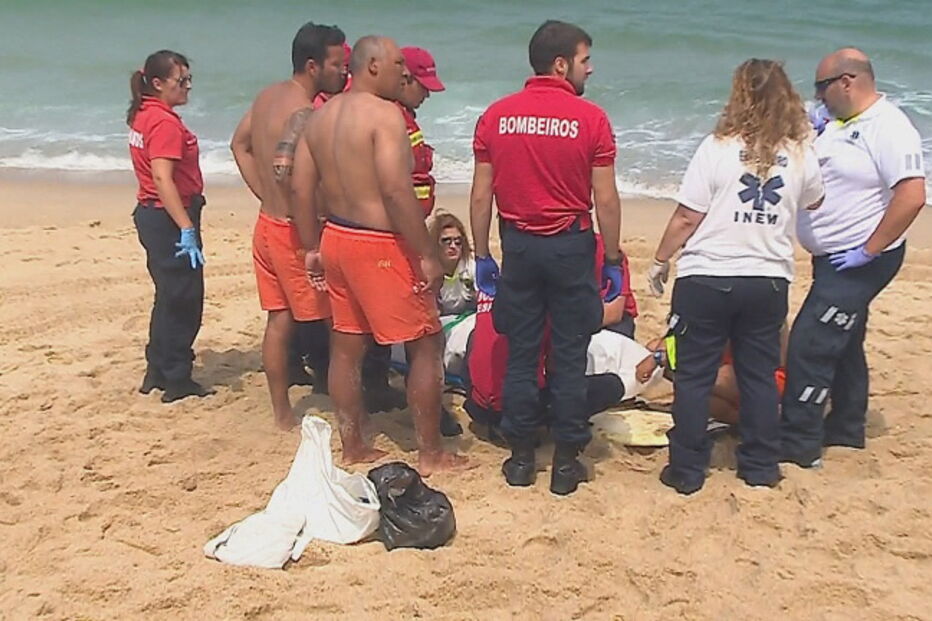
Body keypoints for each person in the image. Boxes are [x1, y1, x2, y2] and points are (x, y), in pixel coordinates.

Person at [646, 59, 824, 494]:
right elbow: (815, 202)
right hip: (766, 279)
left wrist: (660, 259)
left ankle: (687, 471)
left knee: (693, 376)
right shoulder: (800, 152)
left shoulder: (717, 146)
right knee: (759, 375)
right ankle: (761, 467)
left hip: (707, 277)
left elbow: (688, 216)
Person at [295, 36, 467, 474]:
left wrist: (311, 245)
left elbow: (301, 187)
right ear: (372, 66)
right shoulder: (386, 115)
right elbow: (395, 190)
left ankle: (353, 444)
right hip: (380, 244)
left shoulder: (320, 116)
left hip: (337, 236)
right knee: (426, 344)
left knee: (347, 347)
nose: (403, 74)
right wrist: (425, 251)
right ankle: (431, 452)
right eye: (396, 66)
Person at [470, 20, 621, 495]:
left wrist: (481, 254)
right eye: (584, 60)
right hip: (570, 245)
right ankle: (565, 461)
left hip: (519, 246)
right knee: (570, 354)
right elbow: (607, 199)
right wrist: (612, 258)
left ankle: (520, 457)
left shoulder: (496, 117)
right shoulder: (591, 119)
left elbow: (480, 197)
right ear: (561, 65)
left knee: (521, 352)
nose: (589, 70)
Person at [780, 48, 927, 468]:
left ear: (847, 82)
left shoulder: (888, 126)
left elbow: (912, 195)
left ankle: (799, 444)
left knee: (811, 343)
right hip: (832, 258)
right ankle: (846, 429)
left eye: (821, 88)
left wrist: (869, 249)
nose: (817, 96)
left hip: (859, 259)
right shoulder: (838, 122)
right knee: (844, 343)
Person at [230, 22, 347, 431]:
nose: (343, 73)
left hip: (267, 224)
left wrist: (263, 194)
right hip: (293, 232)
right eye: (337, 65)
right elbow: (296, 181)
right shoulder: (306, 115)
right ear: (313, 65)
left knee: (279, 321)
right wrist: (314, 231)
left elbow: (239, 144)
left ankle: (281, 412)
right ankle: (349, 409)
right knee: (339, 325)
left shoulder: (267, 96)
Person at [128, 50, 214, 404]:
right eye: (182, 81)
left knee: (167, 295)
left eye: (189, 79)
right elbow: (163, 178)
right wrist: (186, 228)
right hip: (167, 217)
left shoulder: (144, 115)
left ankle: (157, 370)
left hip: (152, 214)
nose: (188, 87)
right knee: (184, 299)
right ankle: (177, 378)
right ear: (159, 83)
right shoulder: (163, 123)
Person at [399, 46, 444, 217]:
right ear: (405, 79)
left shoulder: (405, 117)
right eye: (423, 87)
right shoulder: (391, 119)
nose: (427, 95)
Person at [429, 212, 477, 316]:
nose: (453, 246)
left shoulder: (471, 268)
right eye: (446, 241)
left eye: (458, 241)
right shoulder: (428, 271)